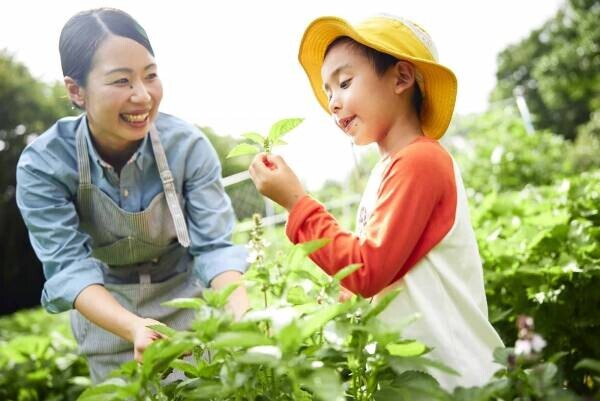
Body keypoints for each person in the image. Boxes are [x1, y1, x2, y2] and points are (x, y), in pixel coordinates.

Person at [249, 14, 504, 390]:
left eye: (345, 82)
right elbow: (364, 278)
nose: (333, 102)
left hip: (456, 380)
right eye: (328, 91)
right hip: (418, 381)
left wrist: (297, 204)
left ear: (401, 78)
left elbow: (367, 269)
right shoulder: (385, 172)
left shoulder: (421, 161)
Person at [16, 8, 249, 383]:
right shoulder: (44, 164)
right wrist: (133, 327)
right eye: (121, 81)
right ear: (76, 90)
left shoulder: (187, 148)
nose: (143, 96)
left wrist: (244, 318)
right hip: (107, 310)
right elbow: (69, 269)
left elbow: (215, 248)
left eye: (150, 76)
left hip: (184, 300)